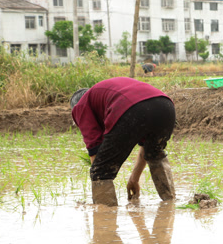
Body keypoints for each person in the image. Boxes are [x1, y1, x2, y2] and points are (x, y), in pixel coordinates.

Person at [70, 77, 176, 207]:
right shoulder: (104, 95)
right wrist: (134, 179)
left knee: (101, 172)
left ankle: (105, 218)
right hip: (166, 107)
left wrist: (98, 171)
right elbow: (145, 147)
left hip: (131, 108)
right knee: (155, 153)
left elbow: (94, 147)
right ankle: (171, 204)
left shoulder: (81, 105)